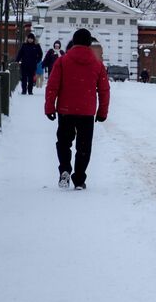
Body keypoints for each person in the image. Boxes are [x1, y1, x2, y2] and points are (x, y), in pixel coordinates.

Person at [44, 28, 109, 191]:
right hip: (87, 112)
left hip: (65, 110)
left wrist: (49, 107)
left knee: (64, 142)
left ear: (73, 41)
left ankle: (65, 168)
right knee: (84, 146)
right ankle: (79, 179)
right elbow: (104, 90)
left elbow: (52, 86)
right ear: (89, 43)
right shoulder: (97, 65)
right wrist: (102, 112)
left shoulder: (62, 61)